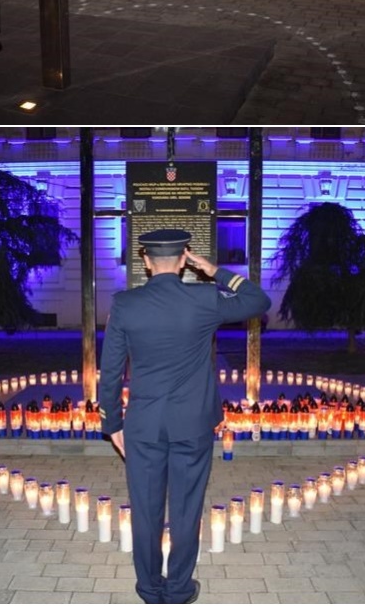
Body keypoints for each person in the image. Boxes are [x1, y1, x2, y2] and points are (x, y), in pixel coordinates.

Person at [99, 229, 270, 605]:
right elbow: (258, 299)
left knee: (145, 509)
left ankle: (148, 588)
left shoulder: (125, 304)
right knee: (186, 507)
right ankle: (178, 589)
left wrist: (111, 424)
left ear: (145, 261)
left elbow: (110, 371)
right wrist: (215, 271)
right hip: (191, 423)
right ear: (183, 261)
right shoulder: (205, 297)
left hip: (143, 425)